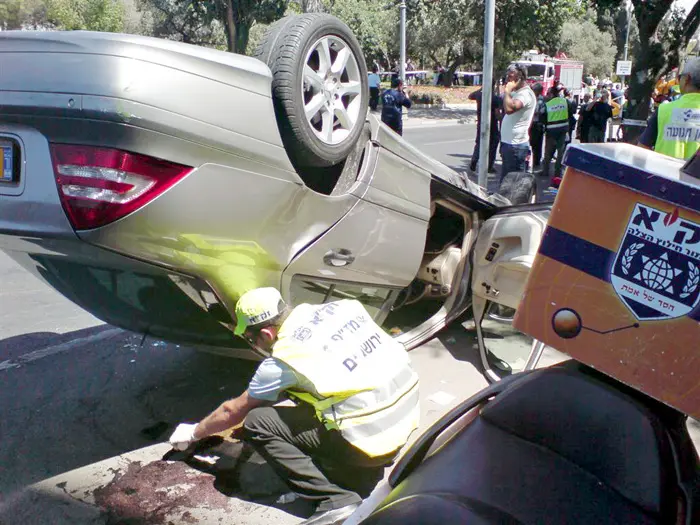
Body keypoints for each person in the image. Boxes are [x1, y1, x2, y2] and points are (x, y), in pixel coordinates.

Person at [169, 288, 419, 525]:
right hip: (403, 420)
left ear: (266, 334)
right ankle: (347, 468)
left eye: (250, 337)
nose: (251, 342)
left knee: (258, 421)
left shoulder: (284, 358)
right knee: (310, 392)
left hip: (370, 442)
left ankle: (335, 501)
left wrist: (193, 433)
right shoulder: (341, 309)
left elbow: (232, 410)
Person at [638, 57, 700, 160]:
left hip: (664, 174)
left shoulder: (664, 110)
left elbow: (642, 150)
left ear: (687, 79)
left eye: (680, 77)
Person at [500, 63, 537, 181]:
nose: (508, 80)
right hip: (509, 144)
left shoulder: (525, 94)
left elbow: (510, 109)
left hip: (516, 146)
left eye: (511, 77)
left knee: (513, 184)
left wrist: (507, 92)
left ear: (520, 78)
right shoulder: (517, 92)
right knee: (506, 181)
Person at [469, 86, 502, 173]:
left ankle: (474, 159)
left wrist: (480, 89)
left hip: (481, 123)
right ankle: (490, 165)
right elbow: (497, 113)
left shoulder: (479, 95)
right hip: (492, 125)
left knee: (479, 143)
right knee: (493, 144)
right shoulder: (495, 98)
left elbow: (470, 96)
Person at [542, 85, 570, 184]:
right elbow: (571, 112)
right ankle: (557, 173)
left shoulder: (548, 104)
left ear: (553, 94)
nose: (548, 95)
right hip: (563, 129)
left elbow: (543, 117)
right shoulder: (565, 102)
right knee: (560, 152)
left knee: (548, 151)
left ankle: (545, 171)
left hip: (551, 130)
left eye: (549, 93)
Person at [529, 83, 546, 169]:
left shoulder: (542, 100)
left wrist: (533, 112)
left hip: (537, 124)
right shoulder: (530, 98)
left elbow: (542, 111)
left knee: (537, 144)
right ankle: (529, 160)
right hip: (530, 124)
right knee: (530, 143)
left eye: (535, 90)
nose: (533, 91)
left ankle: (536, 161)